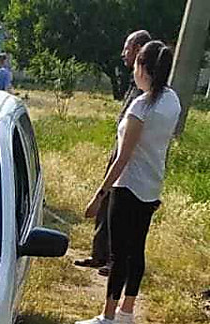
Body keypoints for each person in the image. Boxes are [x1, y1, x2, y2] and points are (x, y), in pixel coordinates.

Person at [76, 41, 179, 324]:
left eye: (136, 65)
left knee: (119, 254)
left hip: (128, 186)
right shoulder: (172, 101)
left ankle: (107, 317)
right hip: (152, 185)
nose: (133, 70)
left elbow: (123, 158)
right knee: (137, 250)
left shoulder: (141, 106)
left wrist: (99, 196)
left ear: (144, 70)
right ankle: (127, 311)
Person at [75, 29, 152, 273]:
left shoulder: (147, 89)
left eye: (128, 48)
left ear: (140, 49)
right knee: (106, 204)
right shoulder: (134, 82)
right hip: (118, 149)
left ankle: (115, 260)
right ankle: (99, 255)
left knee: (121, 210)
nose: (123, 54)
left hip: (131, 157)